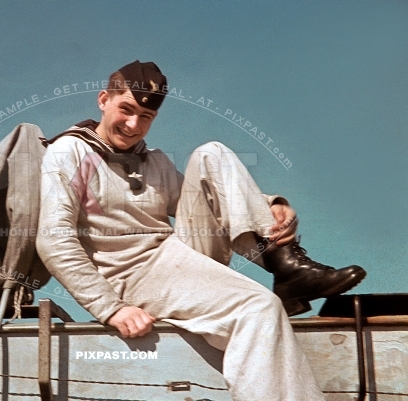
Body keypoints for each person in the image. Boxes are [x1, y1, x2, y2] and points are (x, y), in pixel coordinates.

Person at [36, 60, 366, 400]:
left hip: (174, 258)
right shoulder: (69, 152)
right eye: (126, 110)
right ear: (104, 100)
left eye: (145, 117)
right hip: (129, 276)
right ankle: (284, 274)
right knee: (259, 308)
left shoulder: (154, 161)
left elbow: (209, 201)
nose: (133, 125)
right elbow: (54, 242)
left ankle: (285, 265)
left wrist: (270, 205)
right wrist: (111, 308)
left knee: (212, 154)